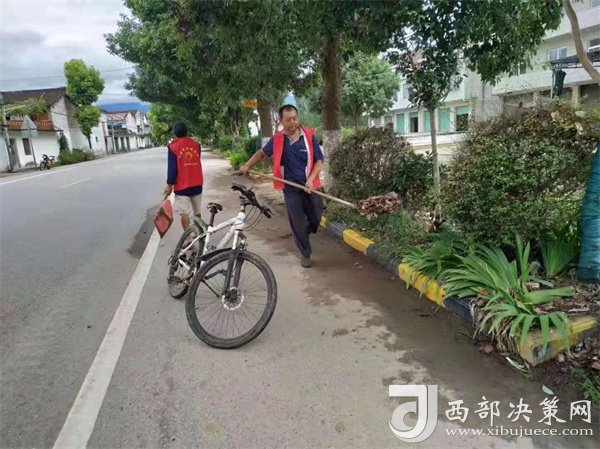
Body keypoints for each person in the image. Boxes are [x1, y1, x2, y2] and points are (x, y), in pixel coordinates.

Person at [240, 96, 324, 268]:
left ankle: (304, 231)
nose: (292, 122)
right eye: (288, 120)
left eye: (294, 118)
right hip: (291, 188)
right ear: (281, 120)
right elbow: (262, 153)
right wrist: (248, 165)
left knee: (316, 217)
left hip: (310, 186)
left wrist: (310, 179)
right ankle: (305, 253)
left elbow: (319, 160)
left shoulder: (308, 136)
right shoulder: (278, 139)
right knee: (297, 222)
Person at [164, 122, 203, 231]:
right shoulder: (196, 145)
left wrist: (169, 185)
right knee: (197, 212)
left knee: (184, 213)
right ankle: (199, 233)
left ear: (175, 133)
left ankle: (188, 236)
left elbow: (172, 168)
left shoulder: (173, 147)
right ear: (186, 132)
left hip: (182, 186)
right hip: (197, 184)